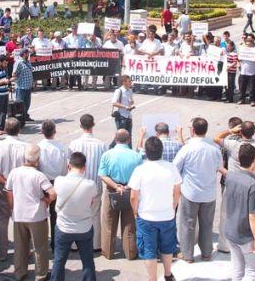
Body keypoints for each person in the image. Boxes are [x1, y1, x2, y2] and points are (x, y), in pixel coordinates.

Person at [129, 136, 182, 281]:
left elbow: (133, 196)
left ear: (146, 152)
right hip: (167, 215)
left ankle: (152, 279)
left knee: (149, 251)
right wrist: (174, 205)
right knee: (167, 247)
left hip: (146, 217)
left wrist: (135, 212)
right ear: (161, 151)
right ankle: (167, 274)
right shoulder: (171, 167)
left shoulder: (140, 170)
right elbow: (177, 189)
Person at [173, 117, 223, 262]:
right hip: (209, 193)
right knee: (207, 224)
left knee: (187, 224)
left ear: (193, 130)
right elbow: (219, 167)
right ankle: (207, 253)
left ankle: (188, 255)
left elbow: (175, 167)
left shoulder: (187, 148)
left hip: (190, 193)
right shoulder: (214, 148)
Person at [6, 144, 56, 281]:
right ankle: (41, 274)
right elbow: (52, 193)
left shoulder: (14, 172)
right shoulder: (39, 175)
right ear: (37, 159)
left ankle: (19, 272)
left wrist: (13, 207)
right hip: (36, 215)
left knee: (20, 246)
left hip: (19, 214)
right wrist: (46, 201)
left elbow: (9, 191)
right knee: (39, 247)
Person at [52, 152, 98, 281]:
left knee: (59, 261)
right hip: (84, 227)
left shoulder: (59, 181)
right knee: (88, 261)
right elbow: (91, 201)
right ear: (84, 167)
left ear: (69, 166)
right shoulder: (90, 184)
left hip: (63, 227)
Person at [0, 117, 27, 262]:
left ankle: (2, 252)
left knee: (2, 222)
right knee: (22, 221)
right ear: (19, 129)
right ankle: (24, 251)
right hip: (21, 189)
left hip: (2, 188)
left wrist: (4, 181)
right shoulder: (25, 146)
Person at [98, 129, 142, 260]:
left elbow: (102, 175)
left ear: (115, 139)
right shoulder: (136, 155)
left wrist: (116, 186)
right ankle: (130, 252)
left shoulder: (107, 154)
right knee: (129, 224)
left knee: (109, 222)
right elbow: (139, 175)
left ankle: (108, 252)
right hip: (130, 190)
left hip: (112, 190)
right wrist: (127, 186)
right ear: (128, 140)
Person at [223, 143, 255, 281]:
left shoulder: (230, 176)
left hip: (230, 231)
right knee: (253, 271)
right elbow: (253, 216)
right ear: (254, 160)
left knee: (237, 270)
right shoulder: (252, 185)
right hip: (245, 235)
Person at [68, 114, 107, 252]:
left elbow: (70, 164)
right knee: (95, 215)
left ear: (80, 126)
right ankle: (96, 244)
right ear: (93, 125)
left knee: (77, 214)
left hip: (77, 186)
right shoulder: (101, 145)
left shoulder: (74, 144)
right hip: (95, 185)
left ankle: (74, 244)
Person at [37, 120, 68, 251]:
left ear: (42, 132)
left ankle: (42, 243)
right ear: (54, 132)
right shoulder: (62, 147)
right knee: (57, 215)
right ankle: (56, 243)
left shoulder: (39, 147)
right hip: (58, 182)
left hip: (43, 183)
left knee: (41, 214)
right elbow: (66, 167)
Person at [111, 75, 135, 141]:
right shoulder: (119, 91)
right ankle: (111, 148)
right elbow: (114, 103)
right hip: (121, 116)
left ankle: (129, 150)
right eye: (129, 81)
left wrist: (132, 103)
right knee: (121, 137)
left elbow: (131, 102)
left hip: (128, 116)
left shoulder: (130, 91)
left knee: (129, 136)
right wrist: (125, 106)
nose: (131, 83)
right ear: (124, 82)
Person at [13, 48, 34, 121]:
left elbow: (30, 72)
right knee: (20, 104)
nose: (28, 55)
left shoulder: (28, 62)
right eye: (27, 53)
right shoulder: (18, 62)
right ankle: (19, 119)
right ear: (24, 54)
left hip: (28, 86)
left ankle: (25, 116)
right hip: (21, 87)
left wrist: (32, 82)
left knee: (27, 104)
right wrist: (16, 80)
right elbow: (14, 74)